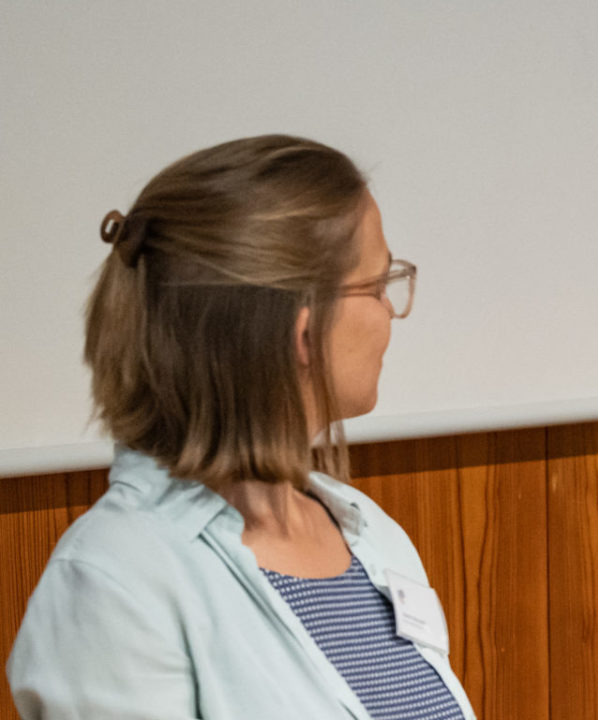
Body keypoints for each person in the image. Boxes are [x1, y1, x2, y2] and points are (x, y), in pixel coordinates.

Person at [7, 136, 465, 718]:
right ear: (304, 333)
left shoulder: (370, 534)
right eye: (377, 286)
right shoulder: (114, 585)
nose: (390, 311)